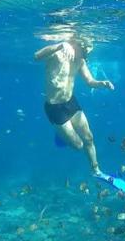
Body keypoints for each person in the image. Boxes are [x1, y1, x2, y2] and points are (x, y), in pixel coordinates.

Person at [34, 36, 114, 177]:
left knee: (89, 137)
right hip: (54, 107)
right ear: (77, 45)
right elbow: (37, 56)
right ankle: (60, 133)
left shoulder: (80, 61)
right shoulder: (58, 53)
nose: (86, 56)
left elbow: (90, 81)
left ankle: (96, 170)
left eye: (88, 53)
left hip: (71, 102)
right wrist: (60, 45)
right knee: (78, 146)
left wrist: (102, 83)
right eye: (85, 52)